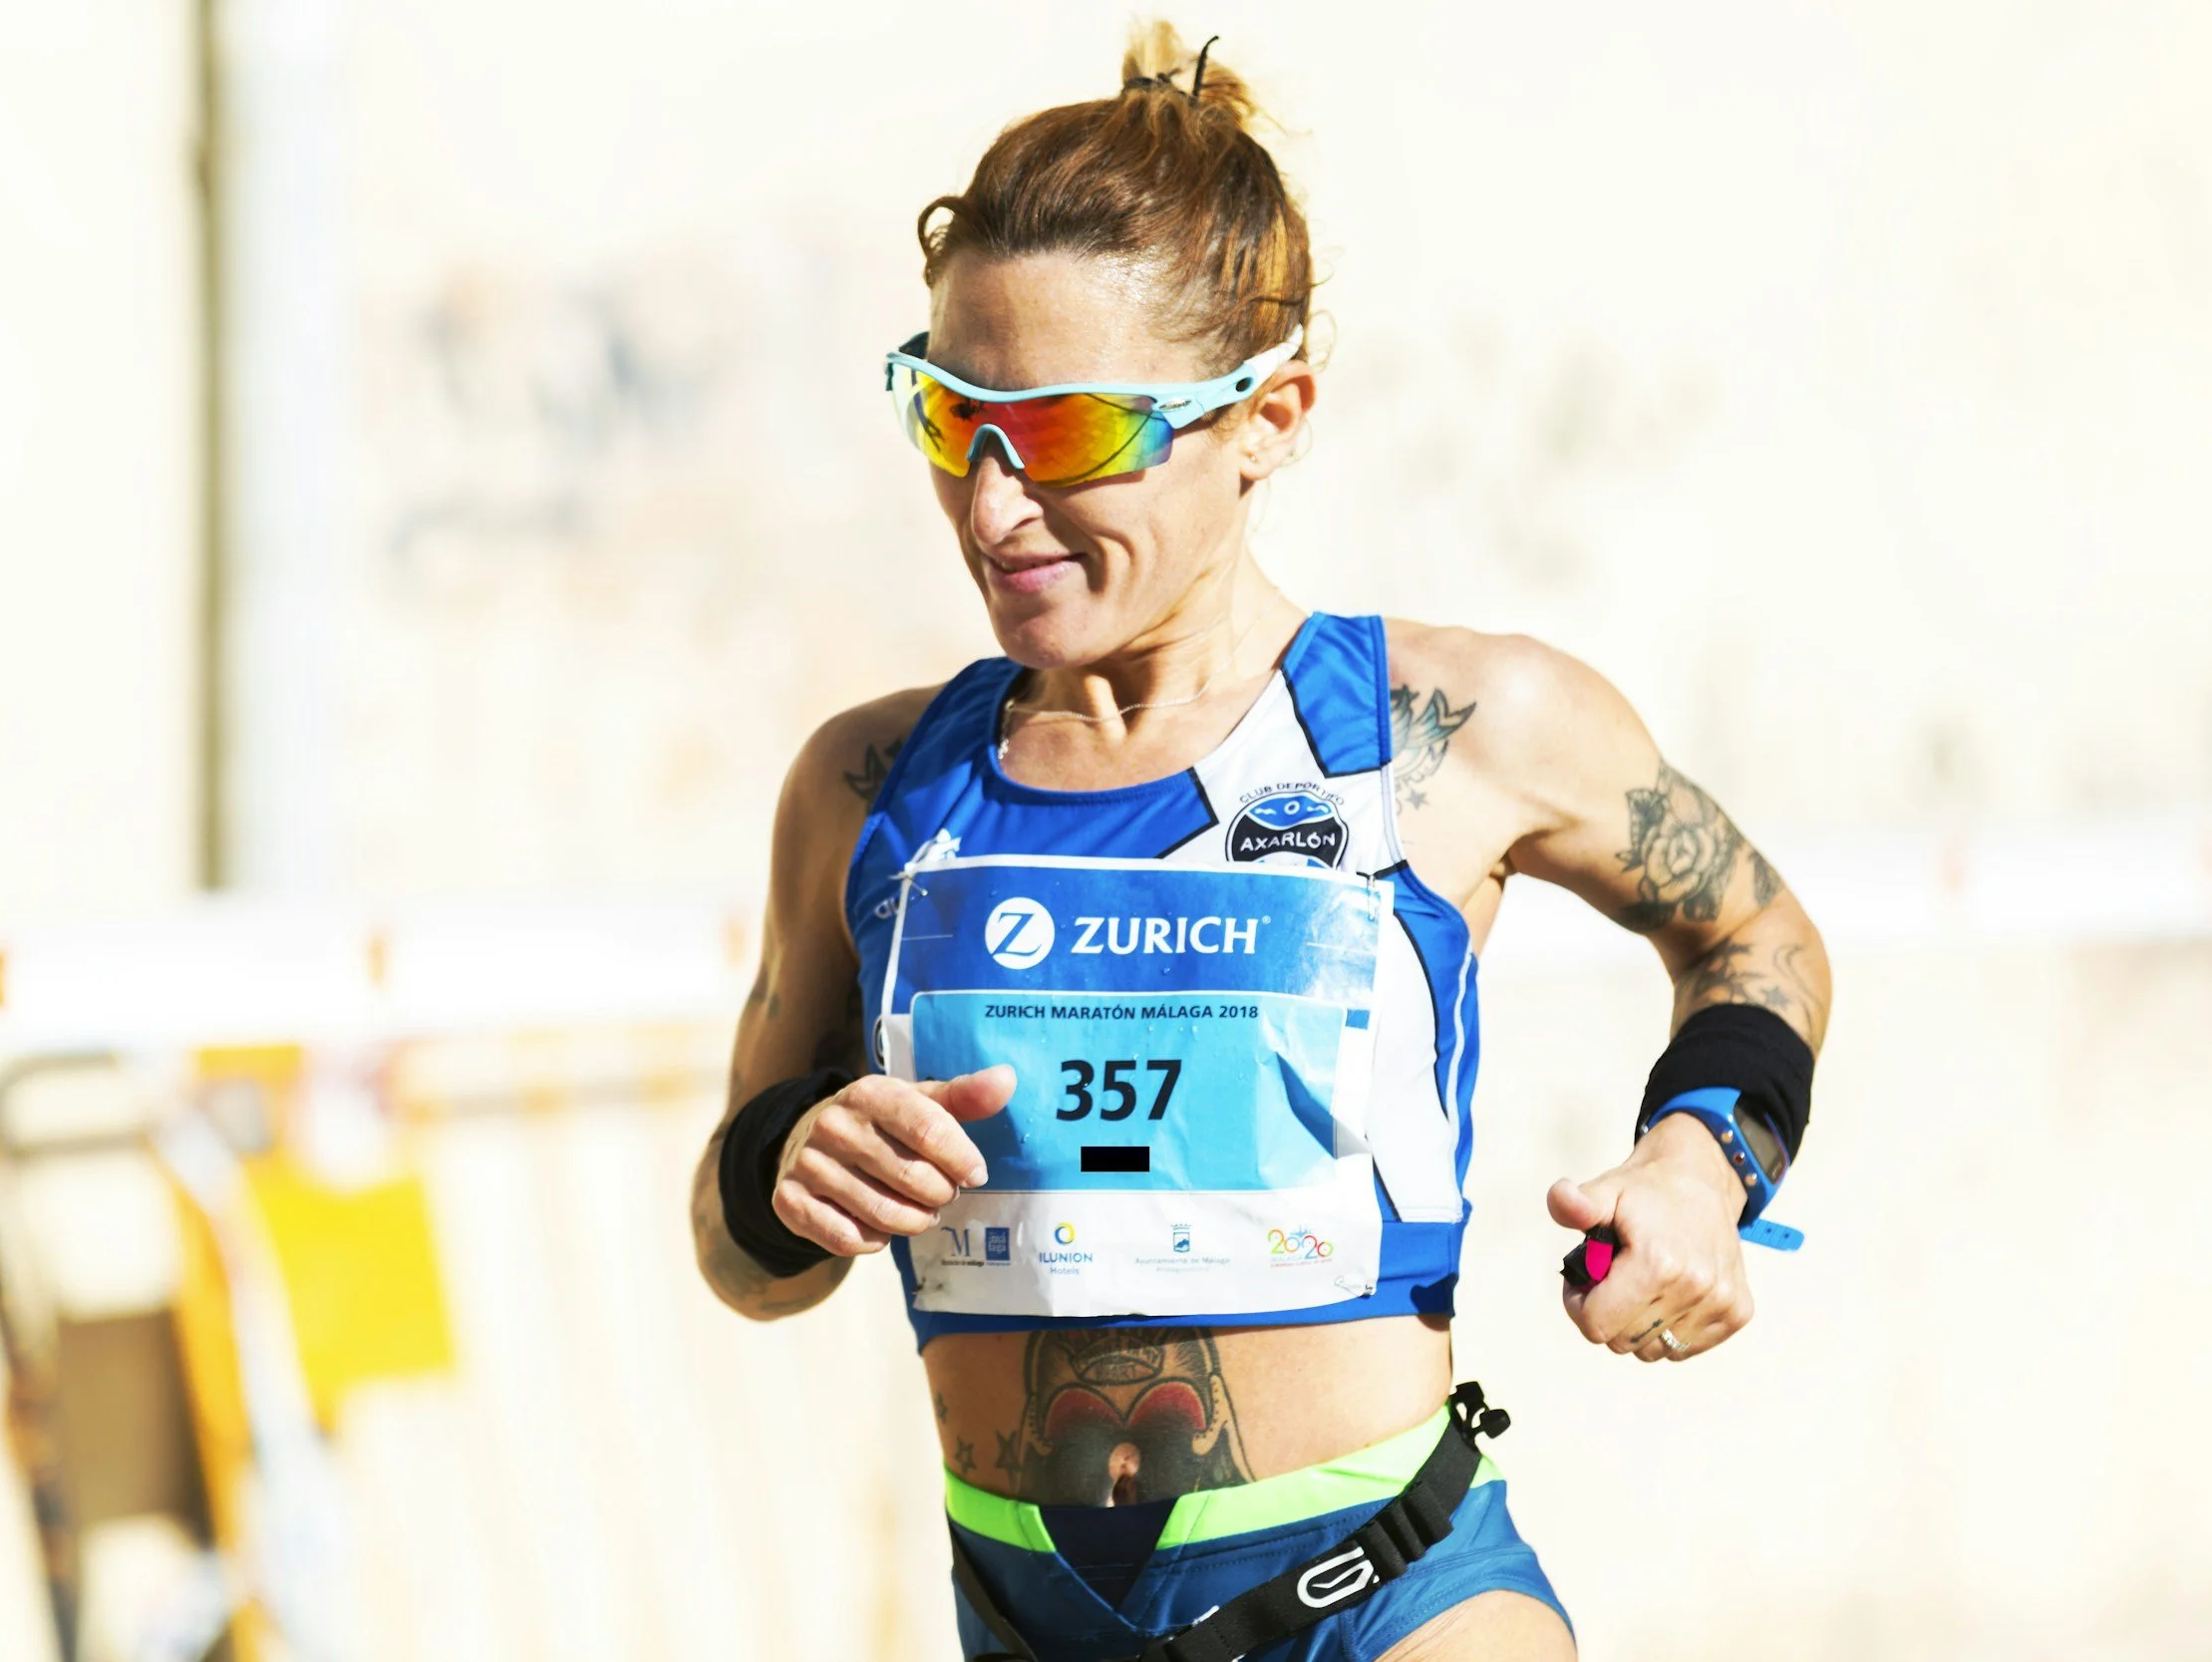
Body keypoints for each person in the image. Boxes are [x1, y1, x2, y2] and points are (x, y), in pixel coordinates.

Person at [690, 24, 1830, 1662]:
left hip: (1391, 1601)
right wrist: (787, 1166)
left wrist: (1703, 1157)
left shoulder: (1463, 726)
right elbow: (738, 1258)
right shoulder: (865, 784)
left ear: (1270, 414)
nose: (995, 503)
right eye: (952, 418)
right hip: (1027, 1618)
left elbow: (1760, 939)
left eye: (1070, 432)